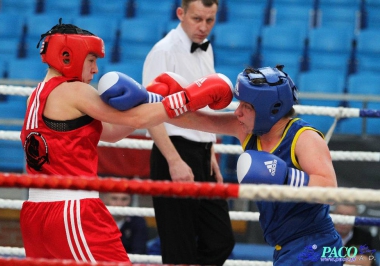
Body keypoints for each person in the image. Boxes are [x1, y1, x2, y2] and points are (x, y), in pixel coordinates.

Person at [19, 19, 233, 263]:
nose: (96, 69)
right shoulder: (73, 91)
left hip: (35, 211)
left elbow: (111, 132)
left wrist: (152, 95)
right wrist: (188, 98)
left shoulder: (36, 96)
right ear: (68, 56)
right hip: (72, 210)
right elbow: (140, 119)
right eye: (91, 60)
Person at [151, 65, 344, 265]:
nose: (238, 112)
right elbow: (197, 120)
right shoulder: (248, 131)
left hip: (316, 245)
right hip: (285, 246)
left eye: (246, 106)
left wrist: (284, 176)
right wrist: (158, 102)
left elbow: (330, 191)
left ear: (269, 109)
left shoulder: (304, 138)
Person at [142, 0, 235, 264]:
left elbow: (204, 108)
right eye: (197, 19)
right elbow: (148, 112)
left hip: (202, 152)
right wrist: (173, 160)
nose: (203, 27)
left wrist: (211, 153)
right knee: (178, 248)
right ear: (180, 13)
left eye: (210, 20)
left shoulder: (207, 49)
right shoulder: (163, 51)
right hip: (173, 151)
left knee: (220, 240)